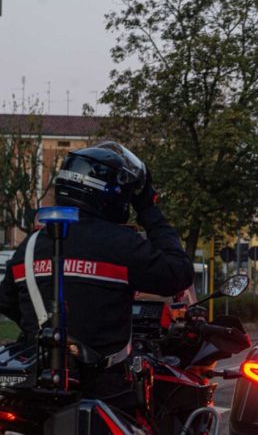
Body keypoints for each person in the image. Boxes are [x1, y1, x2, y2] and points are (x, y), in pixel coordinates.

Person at [0, 142, 194, 399]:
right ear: (109, 195)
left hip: (33, 390)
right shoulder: (122, 244)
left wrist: (42, 330)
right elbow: (179, 273)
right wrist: (148, 209)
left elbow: (7, 301)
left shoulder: (31, 245)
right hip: (104, 391)